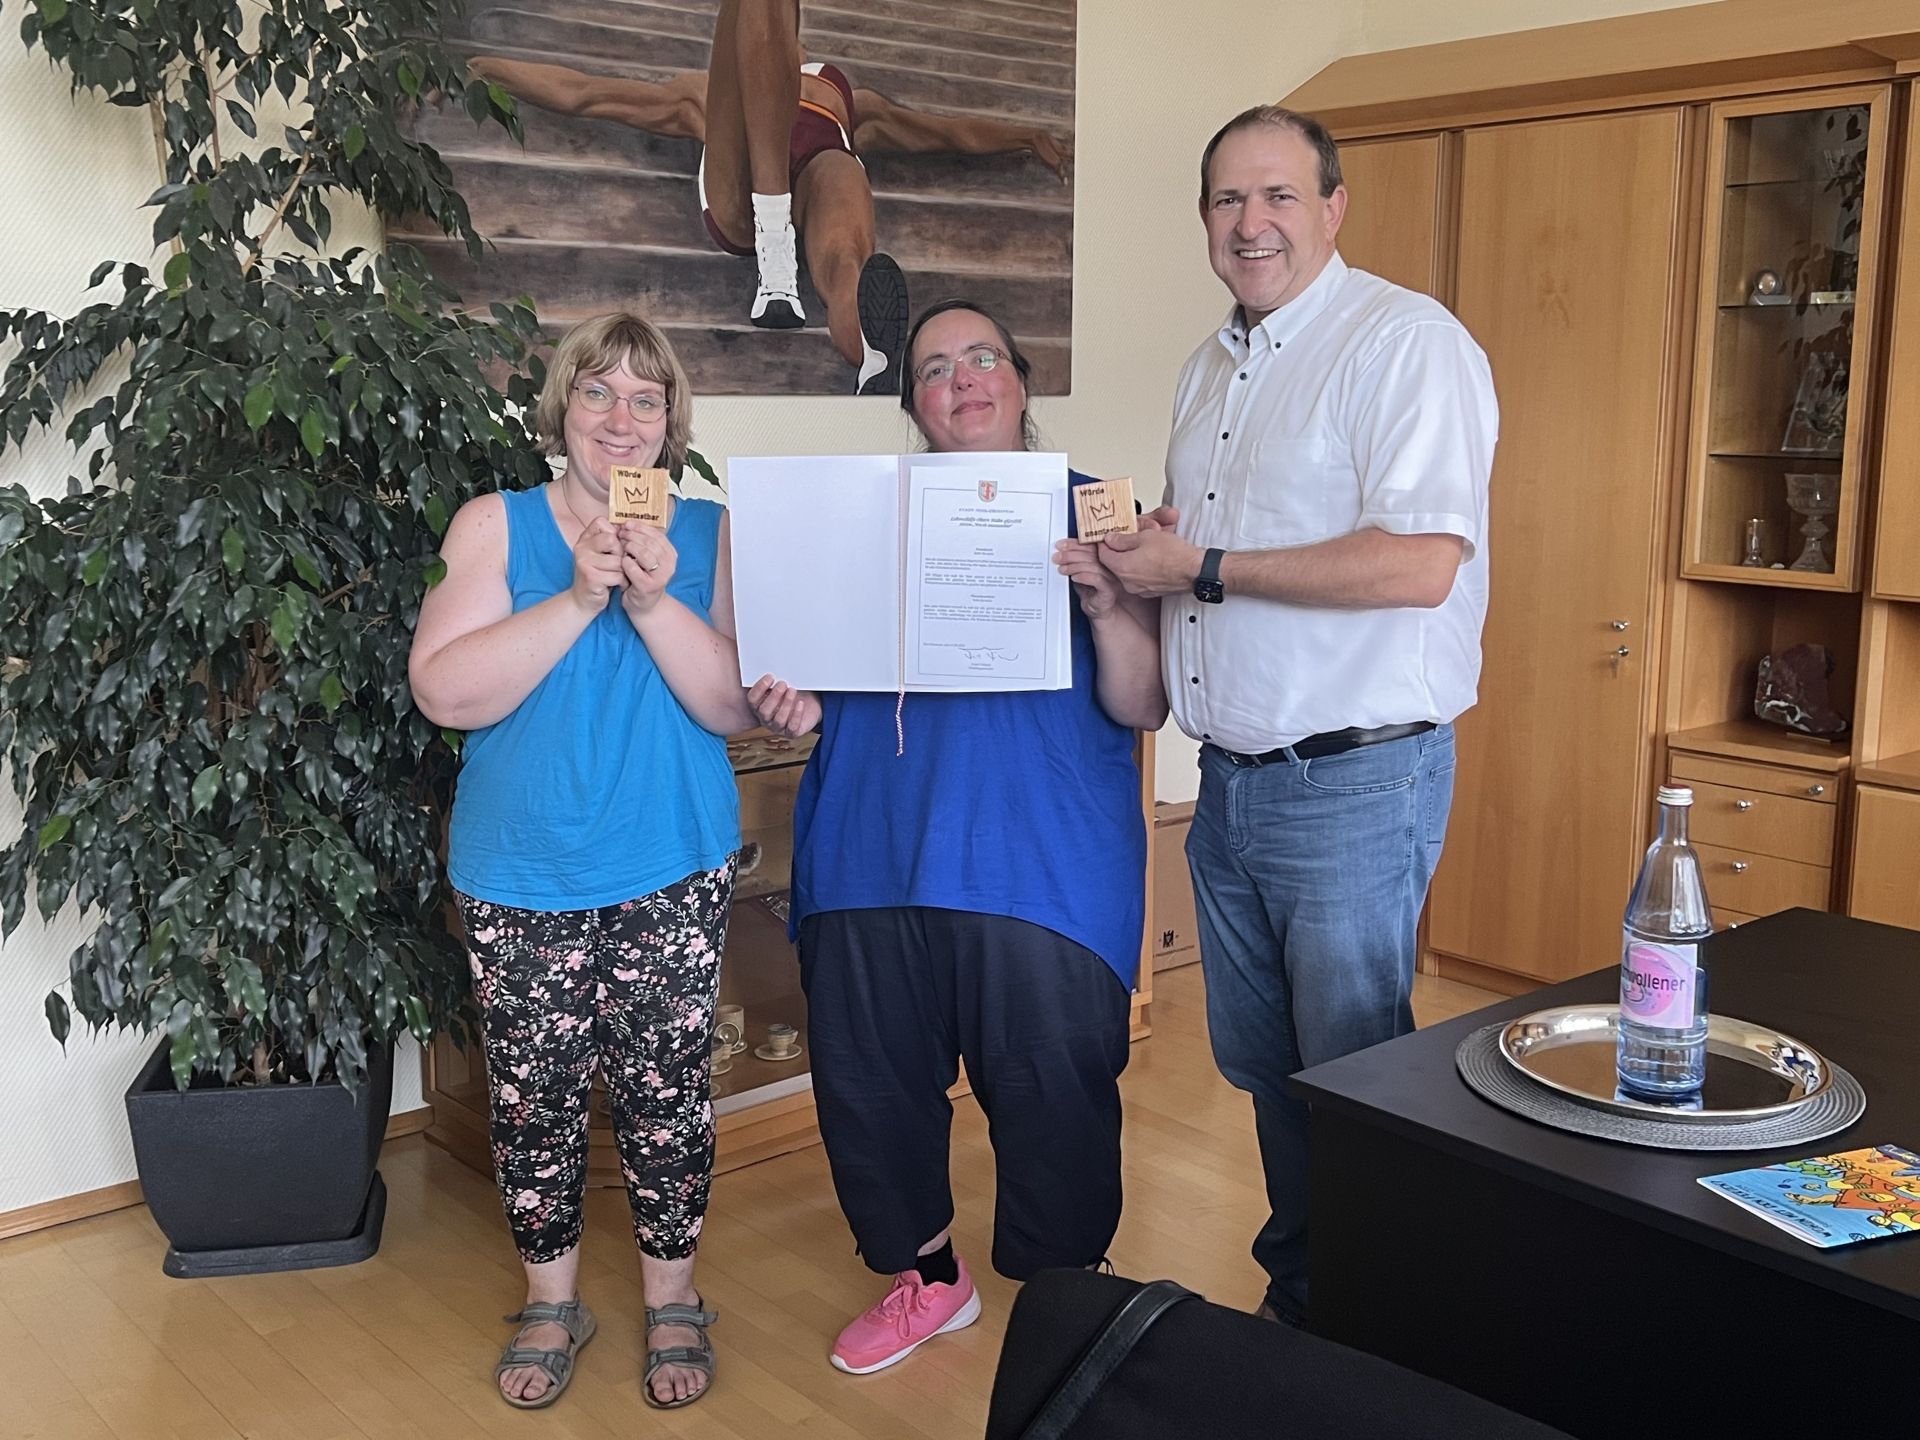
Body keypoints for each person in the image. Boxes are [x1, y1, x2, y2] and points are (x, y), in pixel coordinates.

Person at [1099, 106, 1499, 1327]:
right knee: (1267, 1069)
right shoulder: (1208, 368)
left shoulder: (1403, 343)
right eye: (1228, 199)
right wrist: (1147, 559)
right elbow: (1206, 552)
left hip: (1355, 784)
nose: (1251, 222)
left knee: (1357, 1074)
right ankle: (1309, 1293)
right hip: (1232, 782)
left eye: (1278, 195)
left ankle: (1388, 1316)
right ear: (1205, 221)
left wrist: (1204, 565)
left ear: (1333, 207)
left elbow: (1419, 563)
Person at [744, 299, 1166, 1375]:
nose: (963, 379)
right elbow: (824, 686)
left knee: (1055, 1088)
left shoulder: (1101, 517)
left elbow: (1144, 703)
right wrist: (798, 705)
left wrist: (1107, 604)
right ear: (913, 405)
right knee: (871, 1087)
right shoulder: (855, 524)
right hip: (870, 851)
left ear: (1021, 381)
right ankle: (930, 1282)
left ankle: (1069, 1299)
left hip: (1044, 862)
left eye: (983, 358)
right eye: (935, 368)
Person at [409, 312, 763, 1411]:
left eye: (646, 400)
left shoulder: (709, 532)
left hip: (672, 858)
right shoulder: (496, 524)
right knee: (533, 1099)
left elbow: (734, 706)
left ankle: (674, 1299)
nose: (621, 418)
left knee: (668, 1093)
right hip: (521, 869)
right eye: (598, 392)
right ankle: (552, 1301)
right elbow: (444, 691)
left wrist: (651, 602)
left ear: (671, 425)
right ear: (562, 409)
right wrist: (575, 597)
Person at [469, 0, 1071, 394]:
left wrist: (1023, 136)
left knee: (844, 230)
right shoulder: (706, 91)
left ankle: (872, 358)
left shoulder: (844, 97)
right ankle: (771, 228)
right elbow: (585, 94)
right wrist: (483, 69)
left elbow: (943, 133)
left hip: (816, 183)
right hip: (741, 194)